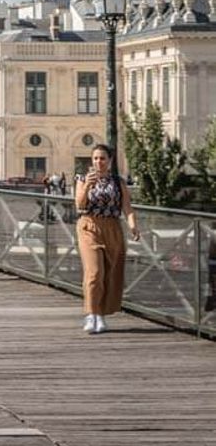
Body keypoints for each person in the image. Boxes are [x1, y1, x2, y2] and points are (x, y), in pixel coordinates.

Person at [75, 143, 140, 334]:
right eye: (95, 158)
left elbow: (127, 207)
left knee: (110, 274)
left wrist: (133, 225)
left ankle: (101, 314)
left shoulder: (117, 182)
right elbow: (79, 203)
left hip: (112, 227)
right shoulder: (82, 178)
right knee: (94, 272)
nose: (98, 162)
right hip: (89, 225)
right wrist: (88, 184)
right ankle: (91, 314)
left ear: (110, 161)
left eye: (102, 158)